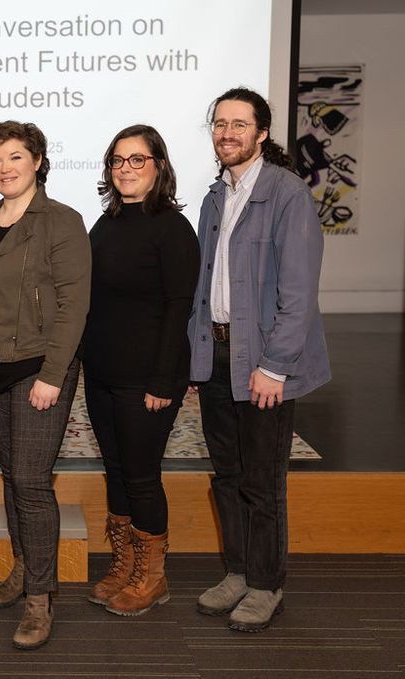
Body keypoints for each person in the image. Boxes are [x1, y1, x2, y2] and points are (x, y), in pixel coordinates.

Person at [188, 87, 330, 633]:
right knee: (227, 473)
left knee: (262, 480)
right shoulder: (213, 198)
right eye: (220, 124)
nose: (227, 133)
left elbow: (299, 292)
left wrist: (274, 366)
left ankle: (266, 584)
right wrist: (200, 354)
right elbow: (205, 284)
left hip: (263, 359)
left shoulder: (287, 193)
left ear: (262, 133)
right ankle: (239, 571)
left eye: (239, 124)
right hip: (219, 353)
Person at [0, 121, 90, 649]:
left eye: (15, 157)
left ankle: (41, 597)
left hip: (39, 370)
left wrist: (54, 376)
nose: (4, 167)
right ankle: (23, 567)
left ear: (37, 160)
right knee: (12, 476)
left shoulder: (61, 220)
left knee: (32, 483)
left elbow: (74, 305)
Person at [82, 125, 199, 616]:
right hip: (103, 373)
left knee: (142, 476)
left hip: (145, 380)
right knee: (115, 471)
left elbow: (179, 308)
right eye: (118, 161)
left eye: (137, 160)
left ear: (158, 166)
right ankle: (126, 565)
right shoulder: (104, 223)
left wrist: (163, 380)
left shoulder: (172, 228)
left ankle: (152, 578)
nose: (126, 169)